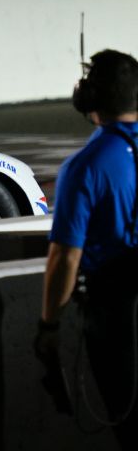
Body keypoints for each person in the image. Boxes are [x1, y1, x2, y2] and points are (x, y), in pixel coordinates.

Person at [38, 49, 138, 444]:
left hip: (114, 316)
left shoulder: (85, 167)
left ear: (91, 98)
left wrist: (48, 326)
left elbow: (65, 257)